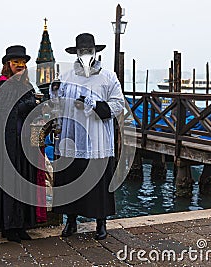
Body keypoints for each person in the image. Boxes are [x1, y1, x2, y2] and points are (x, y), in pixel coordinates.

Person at [50, 33, 125, 240]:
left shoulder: (108, 77)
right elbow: (57, 105)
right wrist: (56, 94)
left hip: (98, 138)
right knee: (71, 178)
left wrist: (93, 105)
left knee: (98, 183)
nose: (85, 54)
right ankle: (71, 221)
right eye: (82, 51)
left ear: (95, 52)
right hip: (72, 137)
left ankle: (101, 223)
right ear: (77, 53)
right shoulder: (65, 77)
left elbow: (118, 104)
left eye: (88, 51)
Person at [0, 45, 43, 243]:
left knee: (23, 180)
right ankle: (9, 227)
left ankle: (21, 225)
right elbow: (2, 112)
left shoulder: (26, 85)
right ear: (8, 64)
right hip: (6, 143)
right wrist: (28, 106)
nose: (20, 66)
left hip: (24, 143)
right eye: (16, 62)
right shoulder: (1, 84)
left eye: (23, 63)